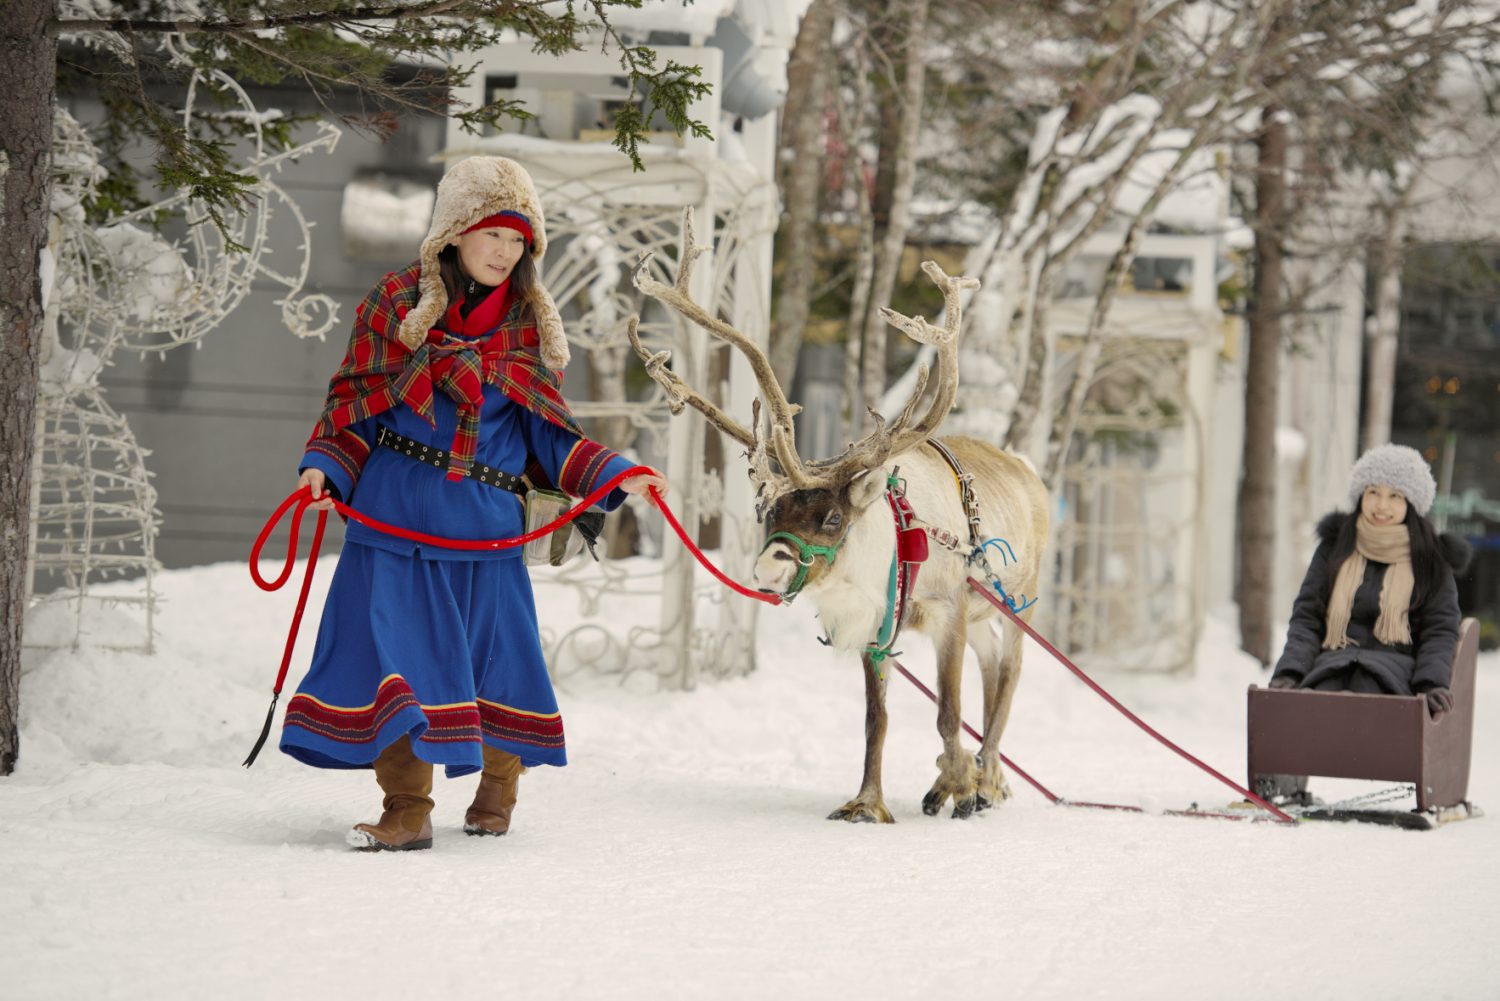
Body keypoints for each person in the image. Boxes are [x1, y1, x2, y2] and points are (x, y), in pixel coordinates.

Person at [279, 155, 667, 851]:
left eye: (519, 241)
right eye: (494, 233)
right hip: (390, 525)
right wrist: (324, 468)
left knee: (496, 664)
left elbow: (552, 435)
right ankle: (407, 806)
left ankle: (498, 784)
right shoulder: (394, 304)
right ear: (456, 230)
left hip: (481, 536)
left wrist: (617, 474)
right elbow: (353, 403)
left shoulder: (525, 324)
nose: (505, 251)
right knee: (392, 661)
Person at [1262, 443, 1471, 802]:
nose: (1382, 505)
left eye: (1394, 496)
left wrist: (1432, 684)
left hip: (1394, 676)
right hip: (1330, 665)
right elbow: (1308, 616)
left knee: (1372, 705)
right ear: (1361, 495)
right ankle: (1278, 782)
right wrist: (1291, 672)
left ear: (1411, 505)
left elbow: (1440, 631)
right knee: (1300, 710)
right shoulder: (1336, 547)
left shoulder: (1431, 561)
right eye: (1373, 492)